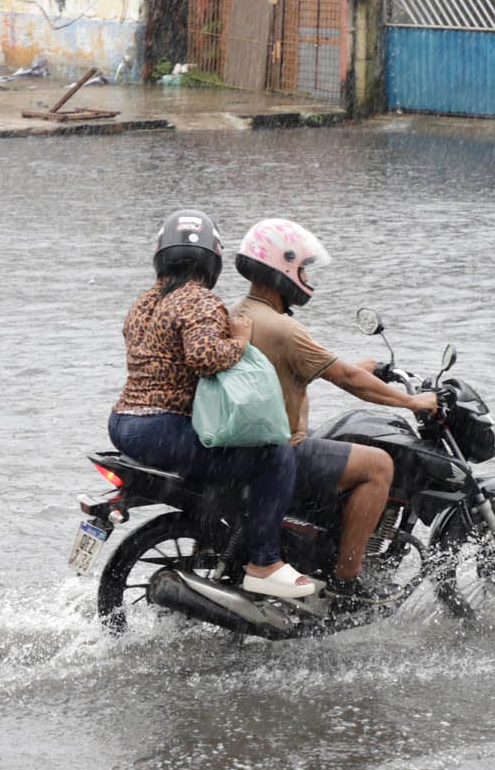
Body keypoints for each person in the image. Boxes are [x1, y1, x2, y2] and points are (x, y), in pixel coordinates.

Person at [108, 211, 317, 602]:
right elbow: (205, 357)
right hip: (162, 429)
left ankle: (222, 537)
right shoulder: (199, 301)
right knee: (275, 457)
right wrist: (240, 340)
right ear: (212, 260)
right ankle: (264, 563)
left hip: (123, 424)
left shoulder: (144, 302)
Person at [230, 218, 437, 606]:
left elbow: (290, 375)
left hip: (245, 446)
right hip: (278, 450)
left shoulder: (240, 313)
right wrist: (413, 401)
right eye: (303, 269)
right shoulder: (284, 329)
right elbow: (347, 379)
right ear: (282, 269)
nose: (307, 278)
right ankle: (348, 581)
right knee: (379, 465)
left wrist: (359, 368)